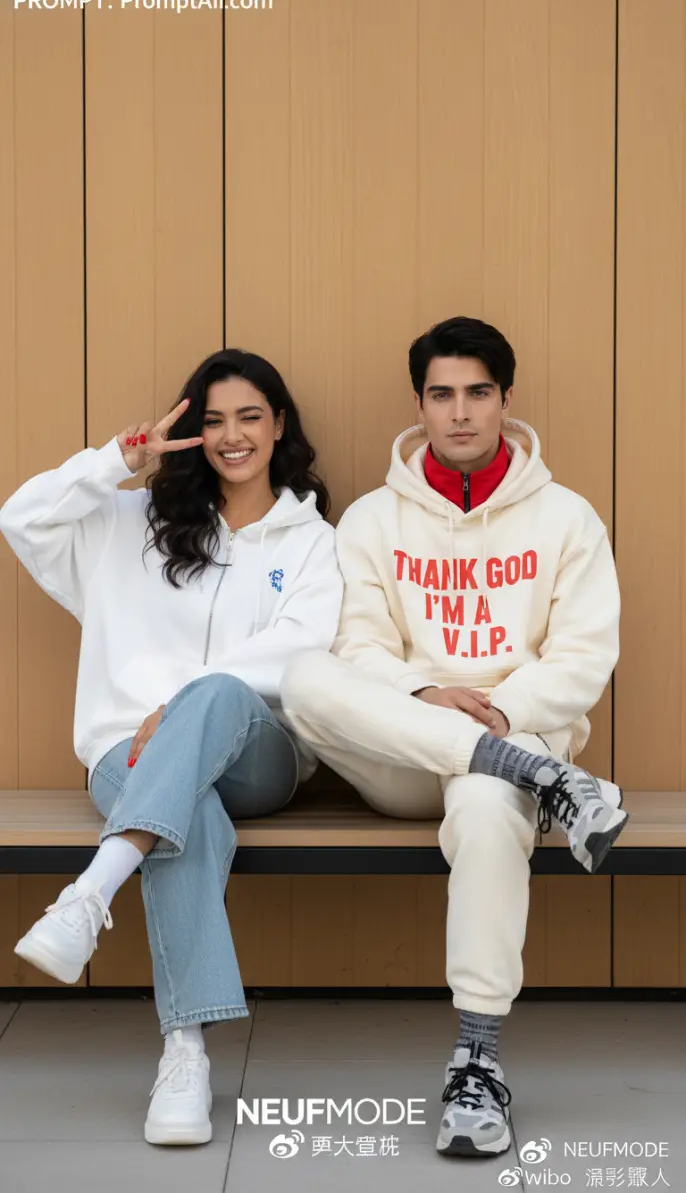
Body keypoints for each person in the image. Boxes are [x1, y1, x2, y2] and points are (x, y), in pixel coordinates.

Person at [281, 316, 626, 1160]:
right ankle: (541, 781)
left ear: (506, 400)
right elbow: (358, 648)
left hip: (519, 741)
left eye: (478, 393)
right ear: (419, 405)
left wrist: (503, 713)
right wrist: (427, 695)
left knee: (483, 800)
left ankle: (478, 1061)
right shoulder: (371, 521)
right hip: (405, 753)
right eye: (442, 395)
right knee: (303, 678)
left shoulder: (567, 518)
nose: (460, 412)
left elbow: (585, 655)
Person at [0, 348, 343, 1146]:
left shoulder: (312, 540)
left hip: (260, 752)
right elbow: (21, 518)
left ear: (279, 424)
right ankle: (184, 1052)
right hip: (128, 754)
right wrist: (115, 464)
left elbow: (303, 650)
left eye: (249, 417)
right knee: (189, 818)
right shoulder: (130, 524)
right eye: (213, 420)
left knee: (215, 693)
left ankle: (91, 892)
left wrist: (183, 701)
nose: (232, 436)